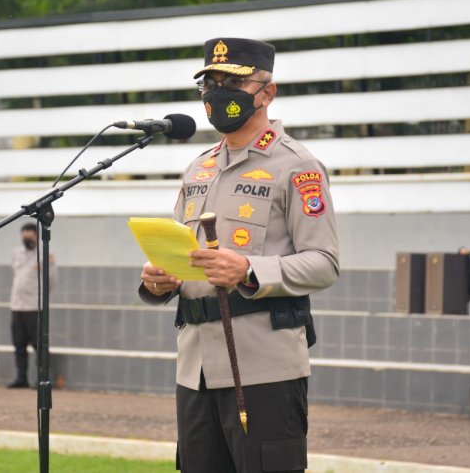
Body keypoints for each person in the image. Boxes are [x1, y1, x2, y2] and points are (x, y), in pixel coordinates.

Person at [138, 38, 339, 473]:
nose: (217, 92)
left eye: (232, 82)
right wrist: (159, 279)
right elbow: (181, 251)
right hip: (195, 368)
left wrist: (248, 268)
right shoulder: (199, 167)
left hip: (262, 368)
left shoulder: (297, 166)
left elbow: (324, 262)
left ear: (267, 92)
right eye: (209, 82)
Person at [7, 222, 57, 389]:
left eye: (29, 235)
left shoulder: (46, 253)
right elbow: (15, 274)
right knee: (18, 344)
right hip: (17, 305)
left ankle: (42, 379)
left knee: (40, 346)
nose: (26, 238)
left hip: (34, 307)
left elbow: (52, 281)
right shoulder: (16, 253)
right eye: (24, 235)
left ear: (36, 235)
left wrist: (41, 298)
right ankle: (21, 377)